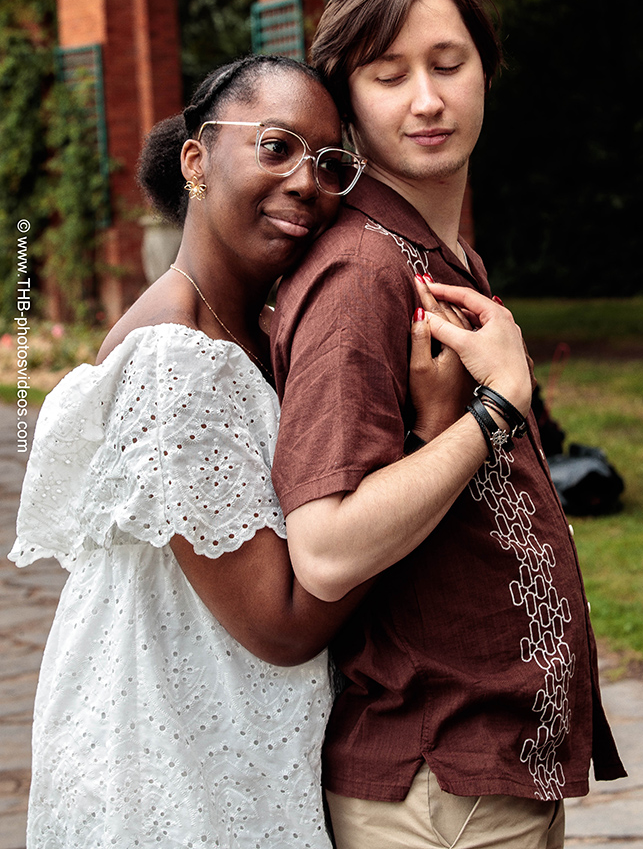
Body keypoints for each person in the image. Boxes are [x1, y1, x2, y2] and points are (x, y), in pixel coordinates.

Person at [9, 53, 533, 849]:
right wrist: (435, 434)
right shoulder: (174, 359)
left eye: (328, 164)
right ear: (197, 159)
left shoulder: (249, 327)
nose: (306, 183)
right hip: (168, 762)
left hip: (233, 740)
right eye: (276, 147)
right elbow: (280, 625)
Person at [270, 0, 627, 849]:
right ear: (347, 101)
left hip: (483, 772)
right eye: (389, 76)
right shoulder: (360, 276)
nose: (426, 100)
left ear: (484, 74)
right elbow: (324, 550)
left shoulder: (440, 254)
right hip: (434, 783)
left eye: (447, 64)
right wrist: (496, 407)